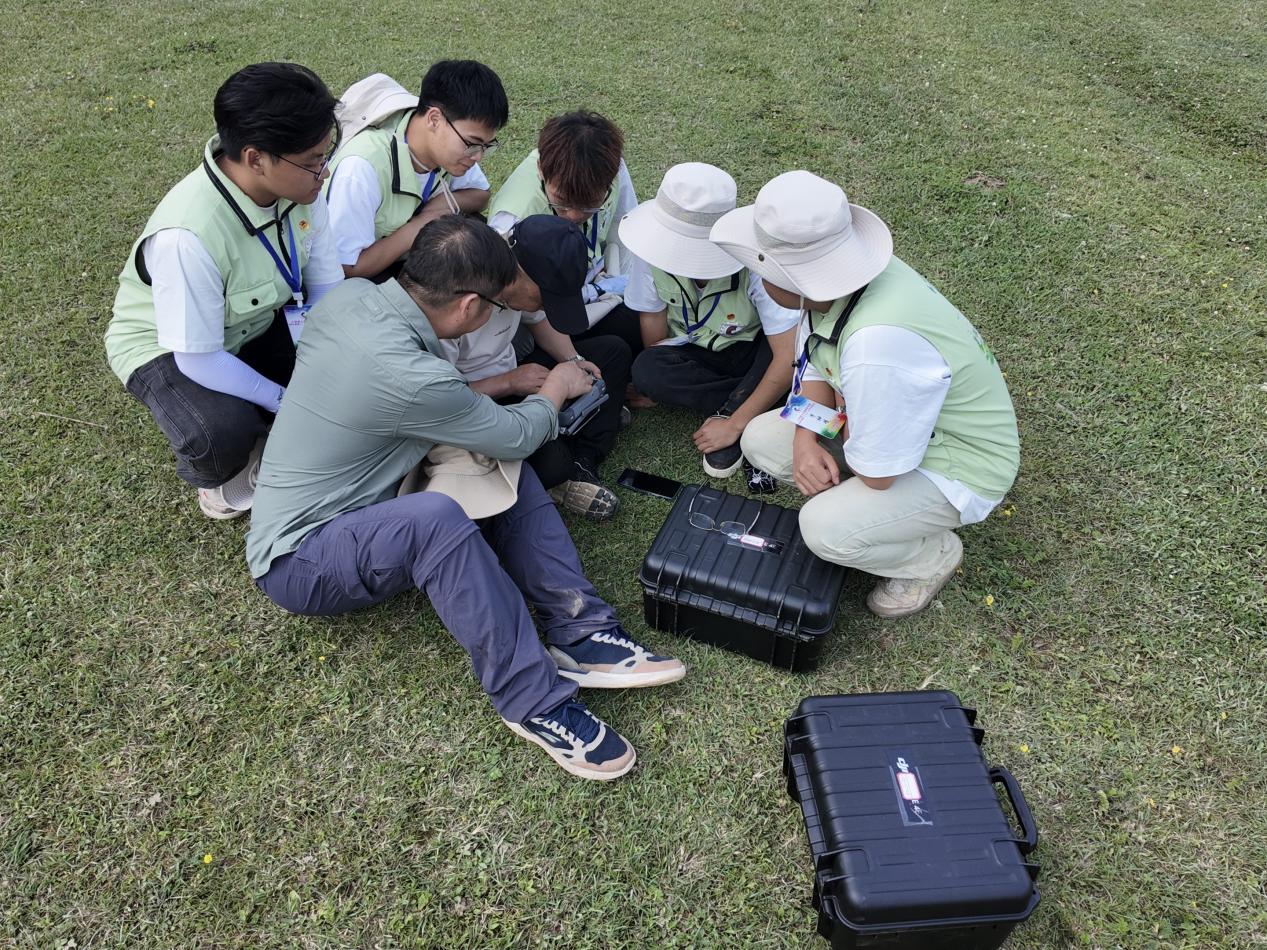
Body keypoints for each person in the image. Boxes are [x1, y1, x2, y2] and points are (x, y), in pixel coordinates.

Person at [246, 216, 685, 780]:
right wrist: (556, 387)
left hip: (370, 500)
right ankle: (532, 699)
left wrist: (506, 385)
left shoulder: (352, 300)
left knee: (482, 448)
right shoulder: (410, 375)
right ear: (469, 306)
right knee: (438, 514)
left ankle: (581, 628)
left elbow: (437, 406)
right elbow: (518, 434)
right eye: (496, 304)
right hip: (299, 560)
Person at [712, 171, 1020, 618]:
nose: (756, 276)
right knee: (762, 439)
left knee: (823, 530)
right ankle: (875, 514)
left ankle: (930, 556)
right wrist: (804, 441)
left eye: (762, 268)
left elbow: (877, 475)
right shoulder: (837, 288)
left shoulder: (876, 347)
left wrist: (841, 426)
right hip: (886, 425)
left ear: (796, 279)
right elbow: (815, 362)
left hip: (958, 466)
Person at [106, 62, 343, 520]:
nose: (325, 171)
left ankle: (274, 421)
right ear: (256, 159)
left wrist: (334, 360)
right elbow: (199, 358)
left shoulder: (301, 189)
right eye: (314, 161)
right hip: (171, 347)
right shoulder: (187, 236)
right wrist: (286, 401)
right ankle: (221, 477)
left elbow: (328, 291)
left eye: (325, 155)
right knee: (219, 432)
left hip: (253, 323)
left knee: (344, 376)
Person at [618, 163, 800, 492]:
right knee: (646, 369)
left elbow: (787, 352)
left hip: (752, 347)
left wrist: (734, 423)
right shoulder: (649, 251)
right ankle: (768, 397)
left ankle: (738, 410)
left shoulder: (755, 263)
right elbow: (652, 317)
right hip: (693, 349)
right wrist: (655, 387)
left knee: (785, 350)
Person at [436, 215, 631, 520]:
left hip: (517, 374)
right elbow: (441, 399)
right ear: (518, 274)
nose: (546, 306)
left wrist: (573, 362)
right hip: (477, 399)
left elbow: (540, 320)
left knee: (613, 353)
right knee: (551, 462)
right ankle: (567, 460)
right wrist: (509, 382)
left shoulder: (515, 279)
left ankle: (583, 461)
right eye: (545, 298)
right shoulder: (454, 307)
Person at [324, 60, 506, 281]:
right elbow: (347, 268)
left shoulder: (447, 148)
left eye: (486, 146)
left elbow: (480, 194)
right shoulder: (361, 168)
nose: (478, 156)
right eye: (472, 143)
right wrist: (419, 226)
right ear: (434, 119)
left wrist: (442, 205)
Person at [487, 110, 642, 354]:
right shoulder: (510, 222)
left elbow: (626, 231)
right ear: (541, 170)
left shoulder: (611, 170)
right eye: (562, 201)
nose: (574, 216)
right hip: (548, 314)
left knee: (642, 320)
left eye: (589, 205)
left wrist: (628, 289)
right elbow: (522, 305)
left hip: (592, 287)